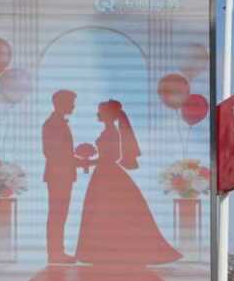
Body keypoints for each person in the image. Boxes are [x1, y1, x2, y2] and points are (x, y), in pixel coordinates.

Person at [72, 99, 180, 266]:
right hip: (105, 174)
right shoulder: (109, 131)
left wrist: (88, 162)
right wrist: (89, 161)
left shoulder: (112, 132)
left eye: (100, 111)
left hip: (107, 174)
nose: (98, 114)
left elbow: (112, 156)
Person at [42, 89, 85, 264]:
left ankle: (57, 252)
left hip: (62, 175)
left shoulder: (58, 122)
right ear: (61, 103)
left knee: (60, 214)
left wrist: (77, 161)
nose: (73, 106)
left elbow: (62, 153)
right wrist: (78, 161)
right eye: (71, 103)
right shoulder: (52, 124)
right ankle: (55, 253)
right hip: (58, 176)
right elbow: (53, 153)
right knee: (57, 214)